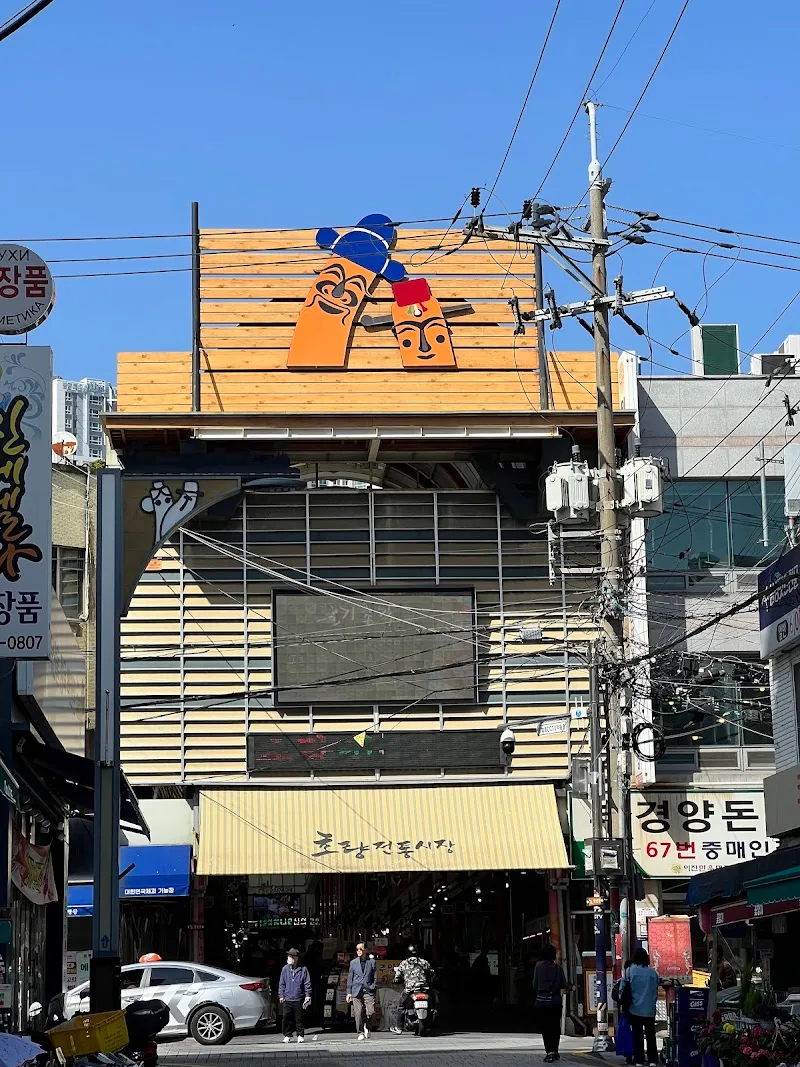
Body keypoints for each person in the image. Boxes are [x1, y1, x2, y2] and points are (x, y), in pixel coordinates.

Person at [622, 947, 659, 1067]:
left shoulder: (629, 971)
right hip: (649, 1009)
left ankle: (639, 1060)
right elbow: (656, 990)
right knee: (650, 1035)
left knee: (637, 1035)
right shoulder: (653, 973)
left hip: (634, 1008)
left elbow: (622, 988)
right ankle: (653, 1060)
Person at [532, 943, 567, 1063]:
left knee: (545, 1027)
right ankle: (555, 1050)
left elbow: (535, 985)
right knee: (555, 1026)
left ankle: (549, 1052)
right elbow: (563, 984)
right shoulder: (558, 968)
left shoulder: (538, 967)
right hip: (555, 1001)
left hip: (542, 1002)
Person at [390, 944, 434, 1034]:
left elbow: (398, 977)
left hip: (410, 989)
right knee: (432, 1004)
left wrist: (396, 980)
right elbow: (432, 974)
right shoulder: (424, 962)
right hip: (424, 988)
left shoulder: (404, 963)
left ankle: (399, 1027)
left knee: (401, 1005)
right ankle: (430, 1024)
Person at [278, 948, 312, 1044]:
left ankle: (300, 1035)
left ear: (296, 958)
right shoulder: (285, 969)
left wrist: (307, 995)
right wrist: (281, 995)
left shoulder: (303, 969)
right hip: (287, 997)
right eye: (289, 956)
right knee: (286, 1018)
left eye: (292, 956)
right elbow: (282, 984)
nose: (289, 958)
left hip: (298, 997)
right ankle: (287, 1035)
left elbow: (307, 983)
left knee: (299, 1018)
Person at [347, 942, 377, 1040]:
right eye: (357, 949)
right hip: (356, 989)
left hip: (368, 989)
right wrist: (349, 992)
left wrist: (373, 986)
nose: (359, 951)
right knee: (358, 1012)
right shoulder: (353, 962)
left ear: (365, 950)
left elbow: (375, 976)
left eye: (361, 949)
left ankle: (367, 1027)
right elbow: (350, 978)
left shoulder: (372, 962)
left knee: (371, 1012)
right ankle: (360, 1032)